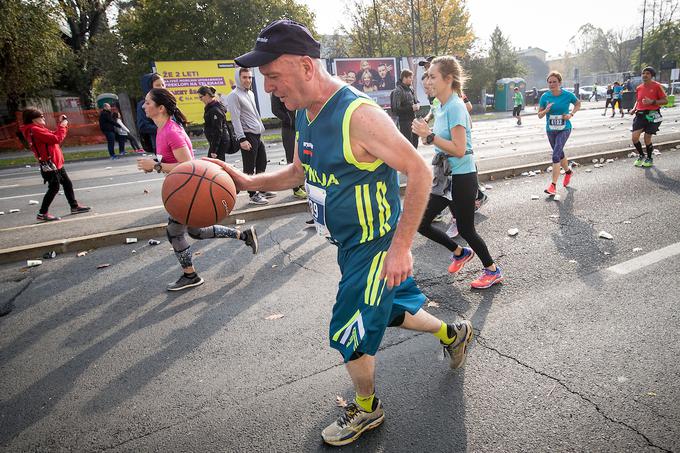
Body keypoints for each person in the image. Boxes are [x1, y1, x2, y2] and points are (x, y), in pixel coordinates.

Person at [213, 19, 474, 446]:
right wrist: (248, 183)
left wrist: (402, 247)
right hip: (349, 246)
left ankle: (368, 410)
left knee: (348, 331)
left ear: (305, 67)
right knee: (390, 311)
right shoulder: (304, 111)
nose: (270, 86)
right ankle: (452, 332)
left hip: (376, 247)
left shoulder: (358, 114)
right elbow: (300, 171)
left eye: (274, 76)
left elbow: (419, 169)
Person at [136, 88, 258, 291]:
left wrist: (155, 166)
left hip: (188, 191)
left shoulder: (171, 132)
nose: (143, 106)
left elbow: (187, 166)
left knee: (174, 232)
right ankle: (244, 236)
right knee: (196, 232)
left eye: (148, 102)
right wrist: (156, 165)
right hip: (184, 188)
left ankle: (190, 275)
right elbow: (173, 162)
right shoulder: (162, 128)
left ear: (161, 108)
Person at [412, 56, 503, 290]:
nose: (428, 81)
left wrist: (430, 136)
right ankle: (460, 252)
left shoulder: (455, 106)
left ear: (448, 78)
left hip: (462, 176)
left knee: (465, 229)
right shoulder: (438, 105)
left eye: (433, 76)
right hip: (445, 175)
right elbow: (436, 139)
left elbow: (460, 150)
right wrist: (426, 133)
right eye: (428, 77)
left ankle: (492, 270)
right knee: (421, 223)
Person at [19, 108, 90, 221]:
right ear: (33, 119)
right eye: (40, 116)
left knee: (67, 183)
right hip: (50, 164)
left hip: (55, 163)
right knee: (54, 187)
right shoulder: (35, 129)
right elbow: (56, 138)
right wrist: (62, 126)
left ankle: (74, 206)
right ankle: (42, 213)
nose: (43, 117)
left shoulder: (38, 128)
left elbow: (53, 135)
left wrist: (60, 124)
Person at [226, 67, 275, 205]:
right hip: (247, 135)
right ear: (238, 78)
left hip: (257, 135)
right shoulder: (234, 95)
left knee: (262, 162)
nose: (248, 80)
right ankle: (253, 194)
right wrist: (242, 139)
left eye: (250, 77)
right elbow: (235, 119)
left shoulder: (250, 93)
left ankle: (262, 188)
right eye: (245, 77)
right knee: (249, 167)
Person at [537, 71, 581, 196]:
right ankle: (568, 171)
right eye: (549, 82)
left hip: (564, 128)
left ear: (560, 82)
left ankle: (553, 186)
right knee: (560, 153)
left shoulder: (567, 95)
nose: (551, 84)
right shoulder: (545, 97)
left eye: (554, 82)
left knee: (555, 155)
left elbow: (578, 104)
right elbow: (539, 115)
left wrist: (571, 114)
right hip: (551, 130)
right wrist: (546, 110)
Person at [630, 66, 667, 168]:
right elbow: (638, 101)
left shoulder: (657, 86)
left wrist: (652, 102)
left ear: (652, 76)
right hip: (640, 115)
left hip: (653, 115)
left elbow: (665, 101)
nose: (645, 75)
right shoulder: (639, 87)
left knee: (647, 138)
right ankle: (641, 155)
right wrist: (634, 109)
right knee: (634, 138)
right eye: (643, 73)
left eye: (647, 73)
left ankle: (649, 158)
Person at [271, 93, 306, 199]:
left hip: (300, 126)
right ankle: (295, 189)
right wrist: (289, 120)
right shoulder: (276, 90)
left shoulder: (294, 86)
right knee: (291, 158)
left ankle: (301, 183)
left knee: (302, 156)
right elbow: (275, 110)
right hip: (288, 129)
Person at [197, 85, 233, 161]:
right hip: (218, 141)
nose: (200, 99)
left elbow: (218, 130)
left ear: (207, 95)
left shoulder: (215, 109)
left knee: (214, 165)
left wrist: (214, 149)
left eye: (201, 97)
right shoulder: (211, 107)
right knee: (218, 166)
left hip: (220, 142)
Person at [390, 69, 420, 148]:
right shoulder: (398, 91)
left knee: (415, 143)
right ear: (404, 78)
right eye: (410, 77)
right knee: (407, 146)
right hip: (403, 123)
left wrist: (417, 105)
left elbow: (414, 102)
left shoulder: (410, 89)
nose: (411, 79)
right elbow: (396, 109)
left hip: (412, 121)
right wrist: (411, 108)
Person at [136, 73, 165, 154]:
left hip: (176, 141)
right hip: (159, 145)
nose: (162, 87)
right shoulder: (144, 104)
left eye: (163, 84)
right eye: (158, 85)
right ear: (149, 87)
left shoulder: (169, 100)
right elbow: (143, 126)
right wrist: (164, 129)